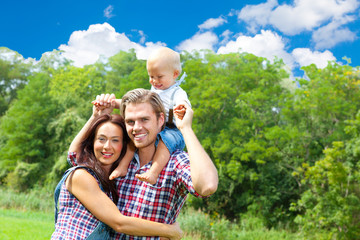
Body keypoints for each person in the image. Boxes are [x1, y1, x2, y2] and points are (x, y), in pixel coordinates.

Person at [93, 89, 218, 240]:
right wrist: (97, 116)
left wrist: (186, 128)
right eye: (130, 121)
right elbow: (74, 158)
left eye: (144, 119)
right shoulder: (118, 157)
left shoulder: (174, 162)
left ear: (160, 121)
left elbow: (207, 186)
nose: (137, 127)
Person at [51, 102, 182, 239]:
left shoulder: (111, 180)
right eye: (101, 139)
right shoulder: (80, 175)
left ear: (124, 145)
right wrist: (170, 230)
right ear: (92, 142)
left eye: (115, 140)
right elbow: (119, 223)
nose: (107, 146)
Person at [106, 47, 190, 185]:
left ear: (175, 74)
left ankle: (153, 172)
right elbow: (136, 106)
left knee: (165, 142)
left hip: (173, 129)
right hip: (157, 126)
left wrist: (181, 107)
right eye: (151, 76)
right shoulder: (154, 90)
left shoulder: (177, 92)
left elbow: (183, 102)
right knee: (133, 137)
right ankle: (122, 166)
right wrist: (113, 103)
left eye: (159, 77)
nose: (154, 81)